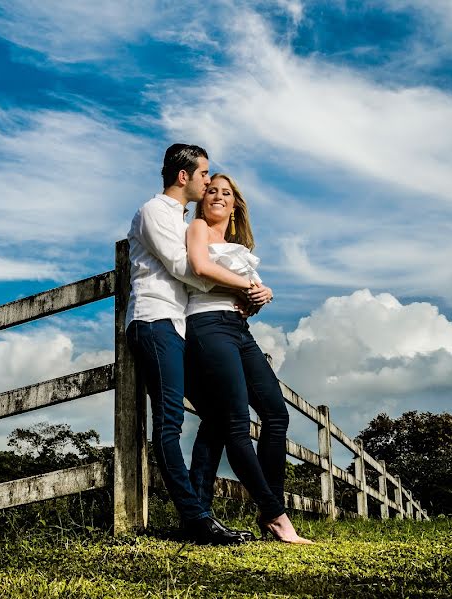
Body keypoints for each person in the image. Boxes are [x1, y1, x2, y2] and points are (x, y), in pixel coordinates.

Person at [125, 144, 253, 545]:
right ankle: (196, 519)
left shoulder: (179, 220)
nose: (207, 182)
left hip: (177, 327)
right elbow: (186, 268)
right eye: (203, 175)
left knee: (215, 414)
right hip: (154, 320)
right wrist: (245, 286)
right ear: (185, 176)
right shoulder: (154, 212)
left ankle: (198, 511)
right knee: (169, 422)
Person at [184, 173, 313, 544]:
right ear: (202, 199)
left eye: (226, 193)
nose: (218, 196)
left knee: (276, 414)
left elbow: (245, 302)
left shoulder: (237, 246)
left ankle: (268, 510)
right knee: (235, 422)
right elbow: (201, 268)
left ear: (236, 204)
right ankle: (277, 516)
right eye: (211, 190)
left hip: (239, 330)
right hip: (207, 325)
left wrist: (257, 299)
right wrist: (252, 287)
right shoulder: (197, 229)